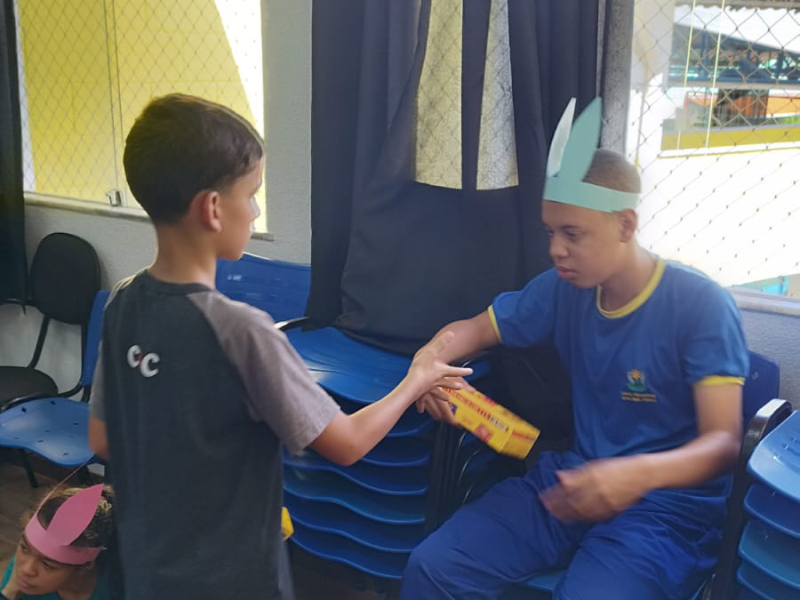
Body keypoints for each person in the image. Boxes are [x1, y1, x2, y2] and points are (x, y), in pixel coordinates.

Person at [86, 93, 470, 600]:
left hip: (147, 568)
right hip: (233, 582)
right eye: (252, 193)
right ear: (212, 209)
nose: (254, 210)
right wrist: (414, 381)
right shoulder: (242, 331)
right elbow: (348, 444)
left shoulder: (123, 301)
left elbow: (102, 440)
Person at [401, 99, 749, 600]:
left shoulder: (701, 305)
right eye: (550, 232)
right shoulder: (562, 289)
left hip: (666, 510)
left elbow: (724, 444)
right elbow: (473, 330)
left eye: (573, 234)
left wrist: (635, 475)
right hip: (572, 481)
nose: (555, 250)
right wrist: (429, 361)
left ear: (625, 225)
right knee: (433, 567)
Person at [1, 484, 120, 600]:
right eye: (24, 548)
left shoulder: (117, 587)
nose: (26, 570)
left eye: (47, 565)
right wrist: (10, 592)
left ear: (84, 567)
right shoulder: (23, 572)